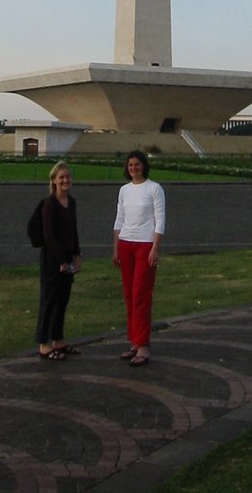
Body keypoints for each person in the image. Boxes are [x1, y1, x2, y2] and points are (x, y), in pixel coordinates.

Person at [112, 150, 166, 367]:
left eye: (137, 164)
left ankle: (143, 345)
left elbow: (160, 220)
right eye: (130, 165)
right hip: (126, 243)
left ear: (144, 165)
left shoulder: (154, 188)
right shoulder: (124, 190)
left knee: (141, 294)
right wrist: (115, 248)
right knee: (129, 296)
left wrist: (155, 248)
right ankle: (134, 340)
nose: (133, 168)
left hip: (145, 245)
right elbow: (119, 219)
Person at [35, 161, 82, 361]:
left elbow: (73, 231)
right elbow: (49, 236)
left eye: (67, 177)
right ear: (53, 180)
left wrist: (76, 256)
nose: (65, 180)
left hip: (67, 260)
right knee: (49, 301)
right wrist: (61, 261)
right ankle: (43, 344)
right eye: (61, 177)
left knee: (62, 301)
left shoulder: (71, 202)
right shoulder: (49, 204)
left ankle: (58, 339)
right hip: (52, 262)